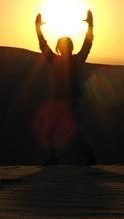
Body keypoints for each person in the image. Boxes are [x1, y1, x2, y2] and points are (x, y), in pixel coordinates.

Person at [35, 10, 97, 165]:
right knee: (55, 130)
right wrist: (90, 25)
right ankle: (89, 157)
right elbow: (88, 44)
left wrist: (38, 28)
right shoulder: (74, 59)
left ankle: (88, 157)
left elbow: (43, 46)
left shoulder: (58, 59)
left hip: (66, 101)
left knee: (60, 131)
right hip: (64, 101)